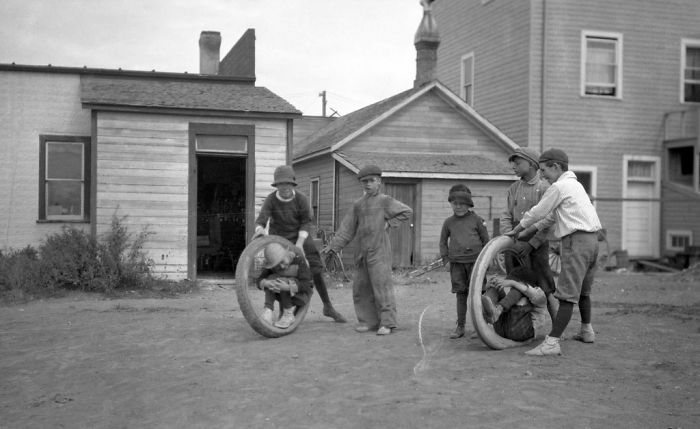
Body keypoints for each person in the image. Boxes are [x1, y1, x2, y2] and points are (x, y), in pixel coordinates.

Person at [505, 148, 602, 356]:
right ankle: (586, 330)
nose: (542, 175)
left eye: (544, 170)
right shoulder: (575, 186)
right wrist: (529, 231)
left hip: (577, 242)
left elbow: (538, 211)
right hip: (593, 241)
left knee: (566, 295)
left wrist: (518, 229)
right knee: (584, 291)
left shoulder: (559, 186)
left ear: (556, 167)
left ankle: (552, 343)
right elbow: (550, 218)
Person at [324, 165, 413, 335]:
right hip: (361, 253)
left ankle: (387, 323)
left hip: (379, 252)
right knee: (361, 287)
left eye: (371, 181)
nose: (367, 184)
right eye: (364, 181)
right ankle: (367, 321)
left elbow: (406, 211)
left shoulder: (385, 201)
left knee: (382, 287)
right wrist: (334, 247)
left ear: (379, 182)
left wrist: (389, 223)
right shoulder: (358, 205)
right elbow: (347, 229)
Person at [253, 165, 347, 323]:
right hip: (280, 239)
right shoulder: (271, 199)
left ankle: (328, 306)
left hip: (301, 237)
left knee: (315, 269)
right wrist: (260, 229)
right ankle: (278, 310)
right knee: (276, 270)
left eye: (288, 184)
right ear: (276, 185)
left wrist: (300, 244)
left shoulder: (301, 199)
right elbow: (261, 220)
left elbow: (306, 222)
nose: (285, 187)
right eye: (281, 184)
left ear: (293, 184)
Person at [500, 147, 558, 321]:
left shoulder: (545, 187)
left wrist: (532, 243)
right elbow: (506, 215)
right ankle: (513, 322)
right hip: (515, 242)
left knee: (545, 285)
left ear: (532, 165)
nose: (514, 167)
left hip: (537, 243)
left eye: (518, 163)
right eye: (513, 164)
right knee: (516, 282)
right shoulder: (513, 188)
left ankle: (557, 326)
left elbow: (548, 219)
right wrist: (507, 240)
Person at [439, 184, 490, 339]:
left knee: (478, 294)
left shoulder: (476, 220)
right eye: (455, 204)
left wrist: (485, 261)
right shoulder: (448, 222)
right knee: (461, 295)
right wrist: (445, 259)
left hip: (476, 264)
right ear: (451, 204)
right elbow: (442, 242)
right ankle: (460, 326)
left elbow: (486, 241)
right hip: (456, 264)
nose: (459, 207)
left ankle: (481, 326)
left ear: (469, 204)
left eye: (462, 204)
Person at [481, 267, 547, 342]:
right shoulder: (514, 295)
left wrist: (514, 283)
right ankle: (492, 314)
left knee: (518, 292)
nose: (511, 288)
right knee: (496, 287)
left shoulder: (539, 293)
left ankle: (497, 311)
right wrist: (487, 287)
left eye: (513, 285)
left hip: (522, 332)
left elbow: (532, 294)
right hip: (502, 329)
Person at [256, 242, 313, 329]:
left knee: (282, 280)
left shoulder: (299, 261)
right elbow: (259, 280)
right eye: (277, 265)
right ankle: (268, 311)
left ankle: (288, 314)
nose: (282, 266)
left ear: (286, 253)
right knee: (271, 278)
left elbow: (307, 284)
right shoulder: (273, 267)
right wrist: (266, 283)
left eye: (282, 261)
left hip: (301, 295)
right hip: (282, 296)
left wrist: (288, 287)